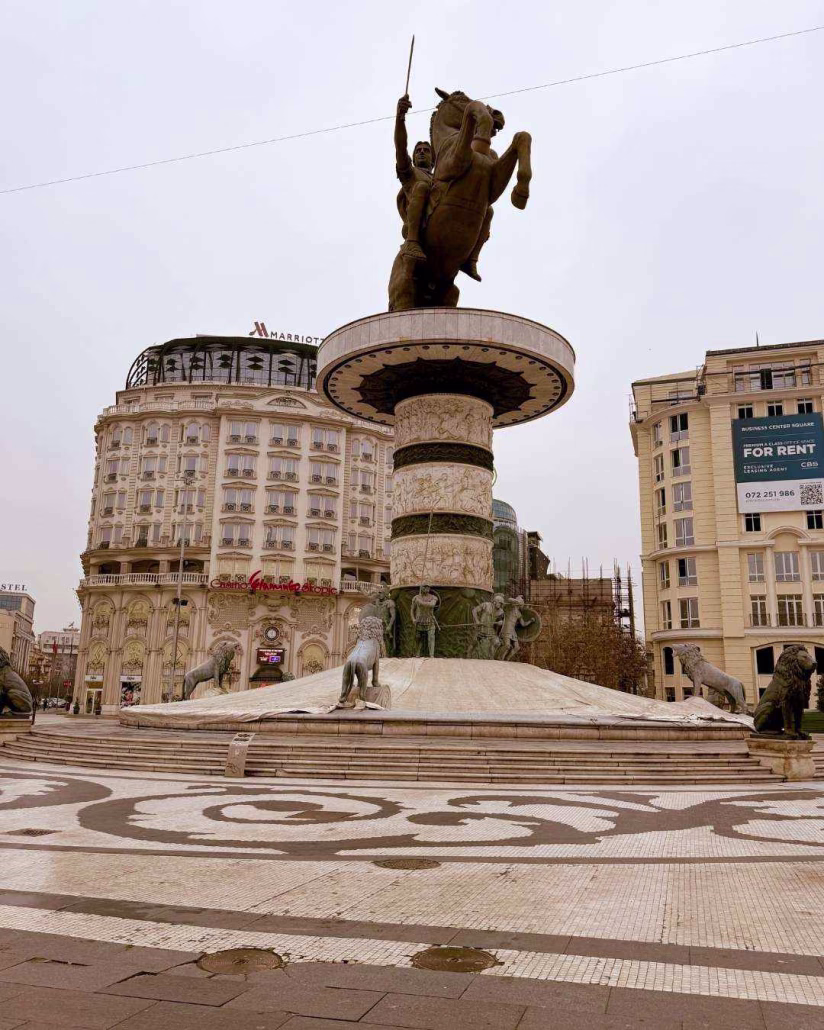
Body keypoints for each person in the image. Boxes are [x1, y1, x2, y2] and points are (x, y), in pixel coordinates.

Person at [411, 585, 439, 658]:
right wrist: (413, 619)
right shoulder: (416, 598)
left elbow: (432, 605)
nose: (426, 589)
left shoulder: (433, 597)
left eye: (427, 587)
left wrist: (420, 602)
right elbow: (412, 610)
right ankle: (417, 653)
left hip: (430, 620)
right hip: (419, 621)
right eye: (424, 587)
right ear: (421, 588)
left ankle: (431, 654)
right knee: (418, 638)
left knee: (431, 638)